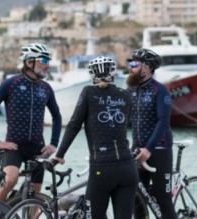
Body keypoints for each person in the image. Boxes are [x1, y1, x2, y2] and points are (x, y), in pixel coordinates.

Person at [53, 56, 137, 219]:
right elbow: (131, 125)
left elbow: (73, 125)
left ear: (92, 75)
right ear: (113, 74)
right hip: (128, 168)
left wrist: (59, 154)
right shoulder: (126, 95)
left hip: (102, 168)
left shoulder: (89, 92)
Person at [0, 42, 62, 209]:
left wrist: (54, 143)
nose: (47, 64)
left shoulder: (46, 88)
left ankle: (15, 205)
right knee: (10, 179)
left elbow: (57, 116)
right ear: (29, 62)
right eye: (43, 60)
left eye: (48, 60)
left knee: (35, 196)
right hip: (14, 147)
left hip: (37, 148)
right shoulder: (11, 83)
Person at [126, 48, 177, 219]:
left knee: (163, 199)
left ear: (146, 67)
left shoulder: (160, 90)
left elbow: (163, 122)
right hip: (137, 149)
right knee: (136, 197)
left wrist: (148, 149)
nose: (130, 67)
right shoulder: (131, 90)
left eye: (134, 64)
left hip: (159, 149)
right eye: (130, 63)